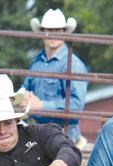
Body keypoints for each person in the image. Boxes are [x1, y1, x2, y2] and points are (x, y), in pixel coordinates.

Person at [21, 8, 88, 144]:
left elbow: (76, 105)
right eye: (49, 30)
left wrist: (41, 106)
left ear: (64, 32)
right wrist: (20, 98)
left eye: (57, 30)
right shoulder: (37, 61)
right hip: (36, 128)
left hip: (63, 131)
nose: (53, 34)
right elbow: (25, 88)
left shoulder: (73, 64)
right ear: (42, 32)